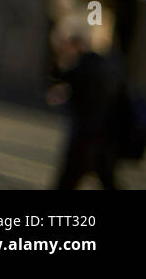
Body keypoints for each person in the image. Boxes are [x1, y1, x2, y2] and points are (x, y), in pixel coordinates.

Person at [47, 19, 126, 189]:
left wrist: (63, 59)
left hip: (85, 134)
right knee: (105, 178)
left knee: (70, 178)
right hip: (103, 133)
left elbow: (60, 78)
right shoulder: (105, 64)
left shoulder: (83, 64)